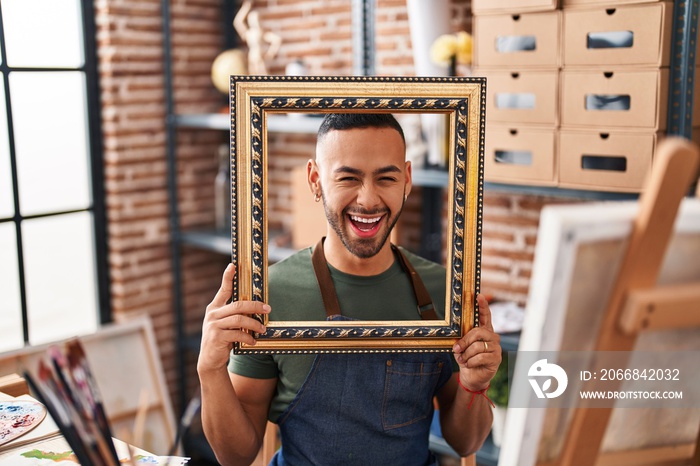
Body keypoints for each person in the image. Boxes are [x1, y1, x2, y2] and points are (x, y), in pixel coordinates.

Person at [198, 113, 502, 466]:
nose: (368, 200)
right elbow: (234, 456)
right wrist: (210, 369)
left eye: (386, 178)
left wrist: (475, 384)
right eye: (348, 178)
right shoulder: (270, 296)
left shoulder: (443, 290)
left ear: (407, 179)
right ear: (315, 180)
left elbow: (465, 442)